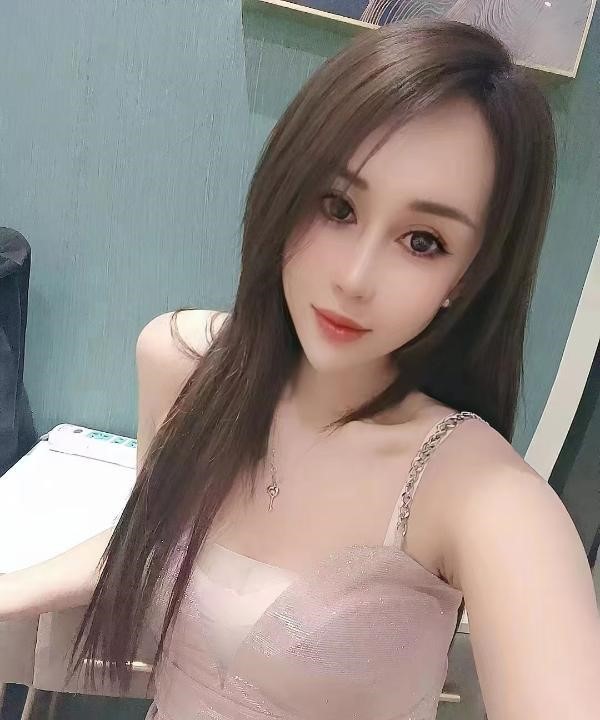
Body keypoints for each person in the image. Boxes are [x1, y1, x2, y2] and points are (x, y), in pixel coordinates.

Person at [1, 18, 599, 720]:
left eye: (422, 241)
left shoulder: (476, 493)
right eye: (337, 206)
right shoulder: (183, 363)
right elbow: (150, 530)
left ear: (466, 279)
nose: (354, 277)